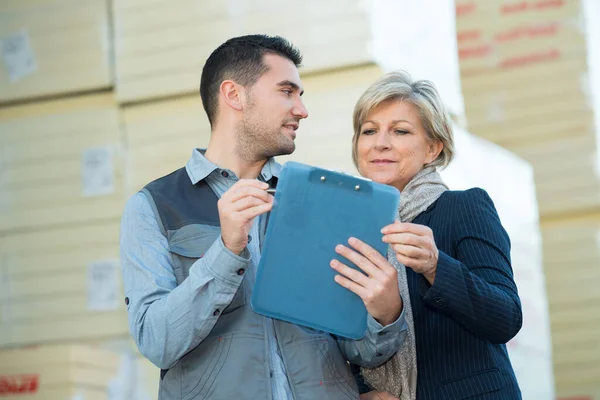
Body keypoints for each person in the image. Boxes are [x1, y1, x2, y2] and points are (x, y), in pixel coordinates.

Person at [120, 34, 408, 400]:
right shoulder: (153, 207)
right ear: (234, 95)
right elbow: (157, 342)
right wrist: (226, 250)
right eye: (287, 91)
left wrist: (386, 313)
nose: (302, 109)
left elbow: (359, 351)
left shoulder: (317, 199)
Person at [348, 71, 523, 400]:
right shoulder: (350, 229)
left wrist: (435, 266)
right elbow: (332, 335)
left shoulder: (463, 207)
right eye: (369, 131)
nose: (380, 142)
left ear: (432, 148)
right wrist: (361, 391)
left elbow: (506, 318)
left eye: (400, 131)